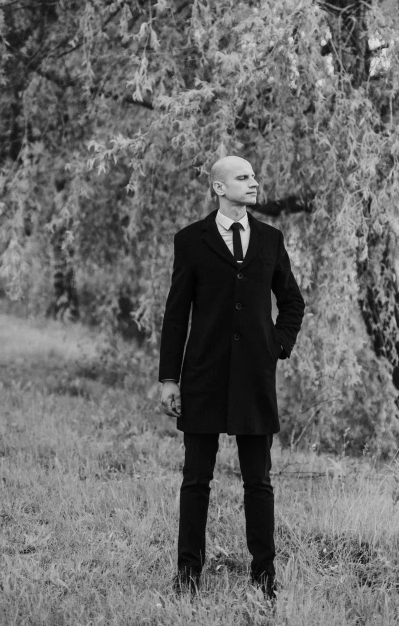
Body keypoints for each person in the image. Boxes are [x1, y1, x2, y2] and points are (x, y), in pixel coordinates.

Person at [159, 155, 305, 599]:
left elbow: (293, 302)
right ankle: (188, 577)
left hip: (255, 379)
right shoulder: (191, 241)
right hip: (203, 374)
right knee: (195, 480)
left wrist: (277, 344)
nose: (254, 182)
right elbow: (176, 314)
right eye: (243, 177)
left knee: (258, 482)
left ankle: (265, 580)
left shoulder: (270, 239)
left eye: (255, 176)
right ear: (219, 188)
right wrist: (169, 379)